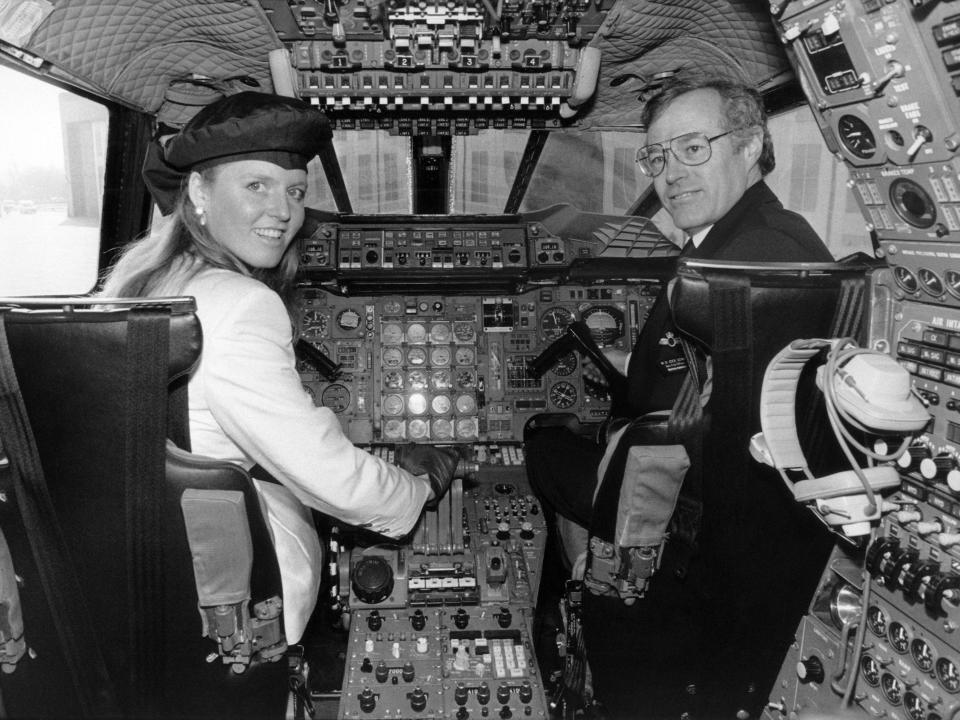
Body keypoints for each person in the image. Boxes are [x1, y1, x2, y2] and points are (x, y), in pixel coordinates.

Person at [524, 72, 835, 718]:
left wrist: (629, 382)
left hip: (675, 518)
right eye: (658, 156)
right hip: (720, 509)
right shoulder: (765, 239)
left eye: (694, 148)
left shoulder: (740, 265)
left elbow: (665, 425)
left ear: (750, 146)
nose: (671, 173)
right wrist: (630, 361)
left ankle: (583, 594)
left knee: (542, 438)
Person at [100, 91, 459, 644]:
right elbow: (335, 479)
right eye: (256, 186)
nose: (284, 211)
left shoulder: (136, 285)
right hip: (231, 582)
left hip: (134, 563)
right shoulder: (240, 303)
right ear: (198, 190)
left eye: (294, 190)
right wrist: (419, 486)